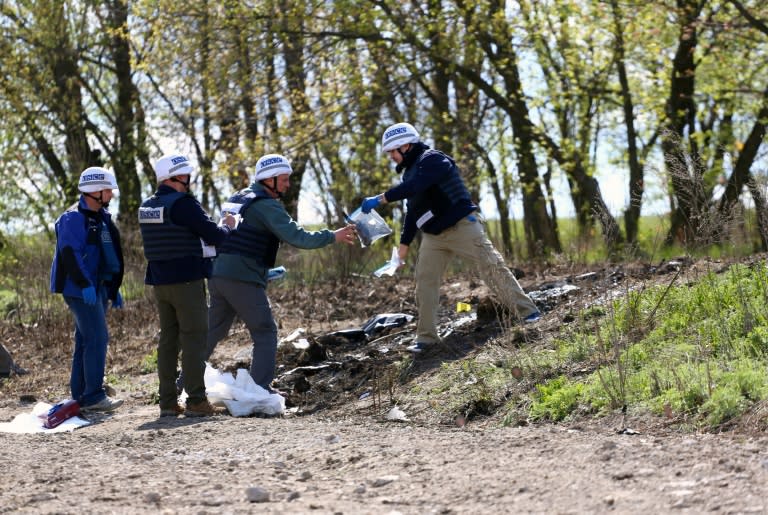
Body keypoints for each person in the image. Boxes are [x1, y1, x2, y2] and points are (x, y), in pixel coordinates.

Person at [360, 122, 541, 353]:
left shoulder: (432, 159)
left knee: (492, 268)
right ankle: (426, 340)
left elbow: (419, 185)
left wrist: (381, 198)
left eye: (392, 152)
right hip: (434, 237)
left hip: (462, 227)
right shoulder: (409, 174)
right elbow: (413, 211)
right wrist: (402, 249)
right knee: (425, 282)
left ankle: (529, 313)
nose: (391, 157)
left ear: (405, 145)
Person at [206, 153, 357, 392]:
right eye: (284, 179)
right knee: (265, 331)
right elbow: (299, 237)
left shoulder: (240, 197)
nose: (288, 184)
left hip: (217, 275)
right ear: (270, 179)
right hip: (241, 279)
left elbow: (237, 240)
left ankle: (184, 385)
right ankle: (258, 391)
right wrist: (333, 235)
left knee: (211, 332)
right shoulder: (266, 205)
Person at [138, 154, 236, 417]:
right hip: (187, 280)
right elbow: (214, 236)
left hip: (160, 283)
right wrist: (228, 226)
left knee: (168, 340)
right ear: (176, 177)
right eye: (186, 175)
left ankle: (168, 402)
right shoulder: (183, 204)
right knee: (194, 338)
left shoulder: (148, 206)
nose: (189, 179)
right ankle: (195, 401)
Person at [50, 167, 124, 411]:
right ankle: (93, 396)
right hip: (80, 289)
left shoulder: (100, 216)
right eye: (108, 191)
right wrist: (84, 285)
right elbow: (70, 255)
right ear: (95, 192)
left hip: (98, 287)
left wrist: (113, 287)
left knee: (84, 339)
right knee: (97, 338)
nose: (112, 195)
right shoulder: (72, 218)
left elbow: (104, 255)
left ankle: (81, 395)